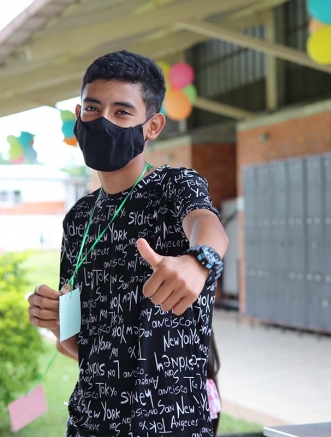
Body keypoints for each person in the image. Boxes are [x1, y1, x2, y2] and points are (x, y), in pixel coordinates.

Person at [26, 50, 228, 437]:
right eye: (92, 108)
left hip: (170, 424)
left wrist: (197, 261)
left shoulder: (173, 186)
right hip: (90, 424)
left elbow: (208, 225)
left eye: (122, 112)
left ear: (152, 126)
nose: (103, 121)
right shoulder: (79, 218)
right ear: (77, 115)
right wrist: (55, 322)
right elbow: (81, 349)